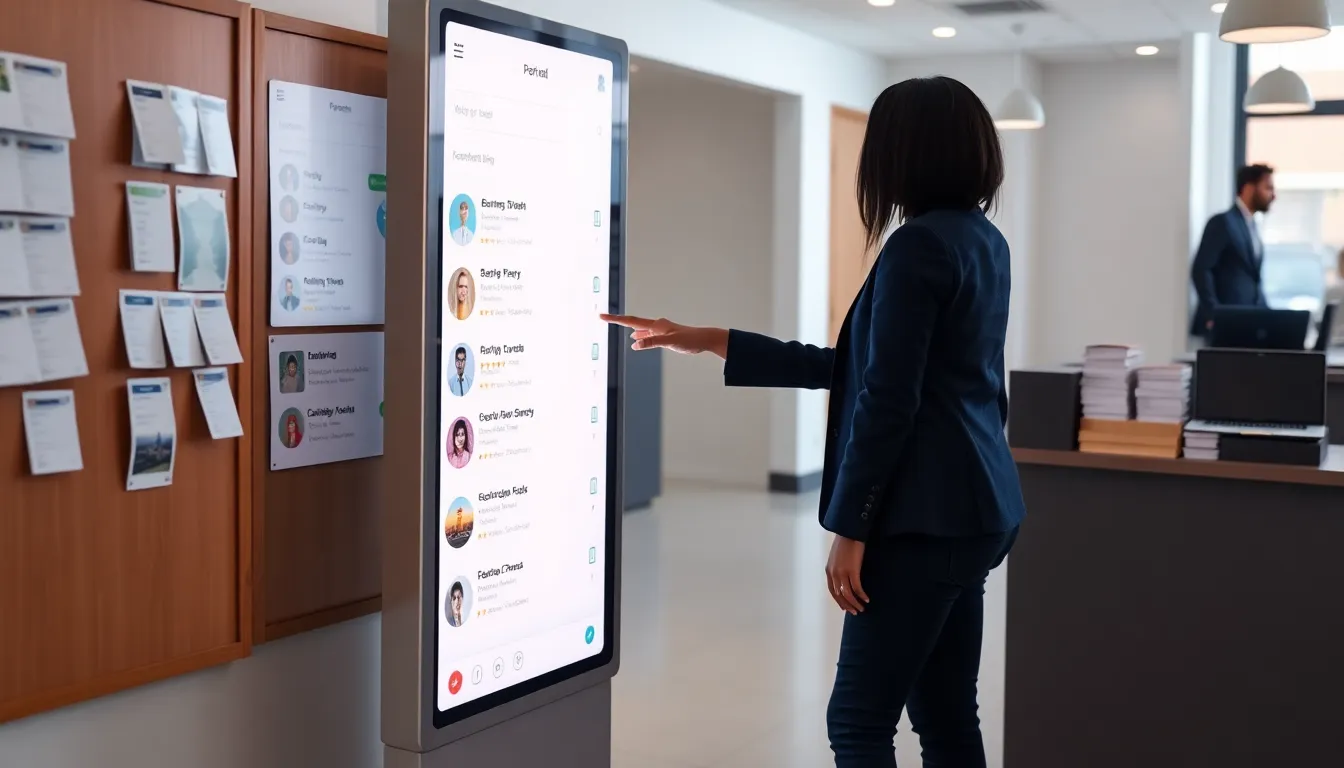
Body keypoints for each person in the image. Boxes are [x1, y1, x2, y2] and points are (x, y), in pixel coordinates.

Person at [603, 76, 1025, 767]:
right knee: (948, 717)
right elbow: (866, 367)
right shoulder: (983, 240)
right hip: (978, 508)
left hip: (921, 521)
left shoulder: (917, 246)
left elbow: (888, 400)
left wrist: (851, 528)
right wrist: (712, 338)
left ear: (905, 154)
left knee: (859, 723)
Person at [1190, 164, 1276, 338]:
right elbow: (1201, 269)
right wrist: (1212, 313)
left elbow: (1253, 280)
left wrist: (1271, 319)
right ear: (1249, 188)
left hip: (1249, 324)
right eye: (1267, 188)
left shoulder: (1252, 227)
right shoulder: (1223, 222)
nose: (1273, 196)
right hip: (1225, 325)